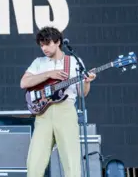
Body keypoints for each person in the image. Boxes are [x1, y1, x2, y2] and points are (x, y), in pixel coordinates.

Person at [20, 27, 96, 177]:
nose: (44, 48)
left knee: (71, 163)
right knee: (34, 163)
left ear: (58, 42)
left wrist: (87, 82)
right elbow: (24, 83)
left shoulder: (74, 61)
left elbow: (82, 94)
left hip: (66, 111)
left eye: (47, 44)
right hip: (43, 115)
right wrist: (49, 74)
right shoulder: (38, 62)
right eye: (41, 45)